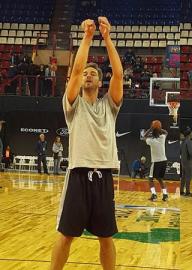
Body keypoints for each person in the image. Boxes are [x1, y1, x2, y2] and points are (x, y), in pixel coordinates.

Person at [50, 17, 123, 270]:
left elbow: (119, 74)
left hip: (103, 175)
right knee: (66, 235)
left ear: (100, 82)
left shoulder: (109, 106)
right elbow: (76, 70)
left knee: (106, 237)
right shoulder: (73, 104)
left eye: (94, 73)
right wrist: (88, 37)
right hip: (79, 173)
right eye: (86, 74)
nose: (88, 75)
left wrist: (107, 38)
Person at [143, 121, 169, 202]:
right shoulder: (162, 138)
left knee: (150, 179)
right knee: (160, 178)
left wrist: (151, 128)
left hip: (156, 162)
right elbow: (166, 132)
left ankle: (154, 195)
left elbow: (144, 136)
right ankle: (165, 195)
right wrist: (159, 128)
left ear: (152, 133)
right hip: (164, 161)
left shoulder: (151, 141)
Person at [180, 126, 192, 197]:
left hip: (183, 161)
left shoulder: (182, 142)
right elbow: (191, 152)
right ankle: (187, 192)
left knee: (183, 177)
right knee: (188, 177)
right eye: (191, 133)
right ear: (189, 134)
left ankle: (181, 191)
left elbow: (180, 152)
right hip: (188, 161)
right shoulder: (189, 142)